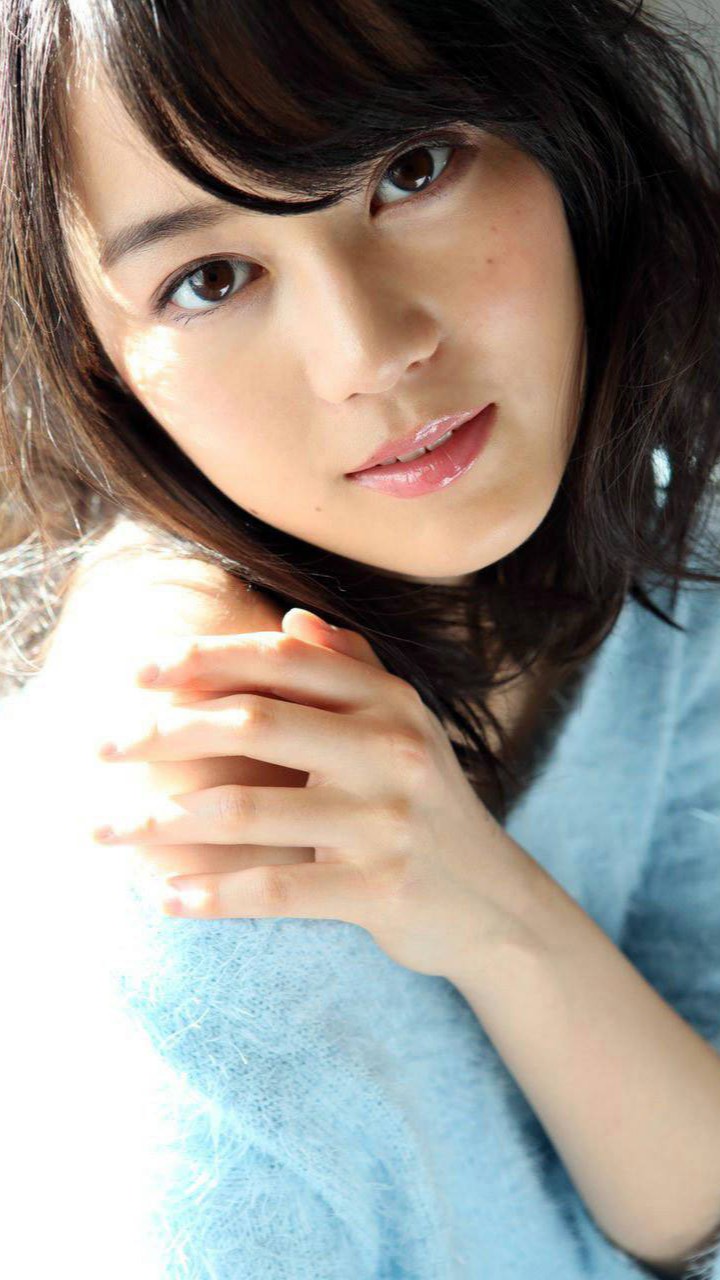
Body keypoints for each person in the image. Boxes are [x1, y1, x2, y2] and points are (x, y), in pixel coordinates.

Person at [1, 1, 720, 1276]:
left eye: (412, 168)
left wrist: (493, 910)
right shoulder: (182, 835)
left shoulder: (678, 532)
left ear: (560, 127)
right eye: (210, 279)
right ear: (95, 365)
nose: (373, 353)